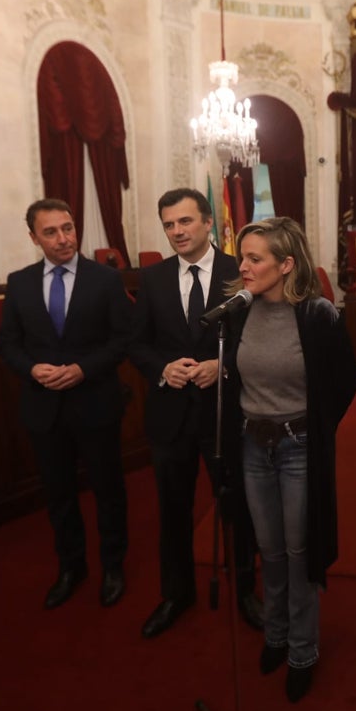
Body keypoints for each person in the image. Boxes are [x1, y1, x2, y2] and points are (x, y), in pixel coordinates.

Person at [222, 217, 356, 703]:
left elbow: (346, 381)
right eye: (243, 257)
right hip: (251, 447)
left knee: (302, 556)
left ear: (286, 265)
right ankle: (274, 634)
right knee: (270, 549)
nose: (244, 267)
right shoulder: (238, 311)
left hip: (299, 448)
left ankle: (302, 649)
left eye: (255, 259)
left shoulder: (318, 315)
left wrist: (315, 429)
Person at [127, 188, 263, 638]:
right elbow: (138, 344)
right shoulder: (152, 278)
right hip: (170, 417)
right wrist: (163, 368)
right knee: (173, 511)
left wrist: (221, 366)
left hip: (227, 415)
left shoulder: (240, 271)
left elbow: (261, 341)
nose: (177, 231)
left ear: (209, 223)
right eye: (168, 224)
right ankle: (176, 594)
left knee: (237, 509)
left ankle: (246, 591)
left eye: (185, 221)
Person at [0, 198, 133, 610]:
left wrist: (82, 369)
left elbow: (122, 340)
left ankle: (113, 565)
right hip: (44, 408)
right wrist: (32, 370)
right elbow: (9, 343)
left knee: (108, 491)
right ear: (33, 237)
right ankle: (71, 567)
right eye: (51, 232)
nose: (64, 238)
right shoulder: (19, 282)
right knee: (58, 495)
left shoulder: (106, 280)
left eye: (69, 228)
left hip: (95, 403)